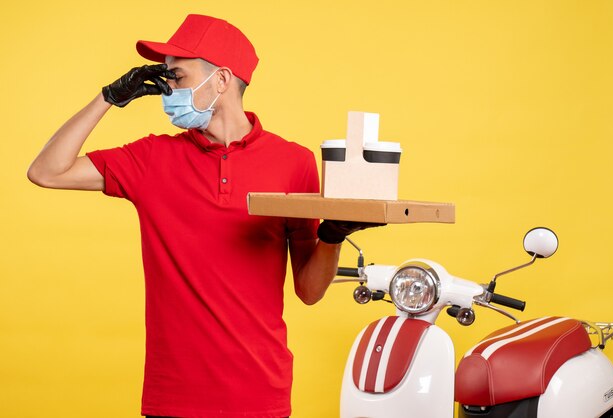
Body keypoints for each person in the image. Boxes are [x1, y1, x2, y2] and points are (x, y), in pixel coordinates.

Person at [28, 14, 379, 418]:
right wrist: (108, 97)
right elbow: (46, 172)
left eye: (176, 76)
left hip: (260, 396)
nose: (165, 88)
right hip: (174, 398)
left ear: (223, 80)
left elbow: (309, 291)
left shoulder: (293, 162)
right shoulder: (151, 158)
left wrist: (332, 237)